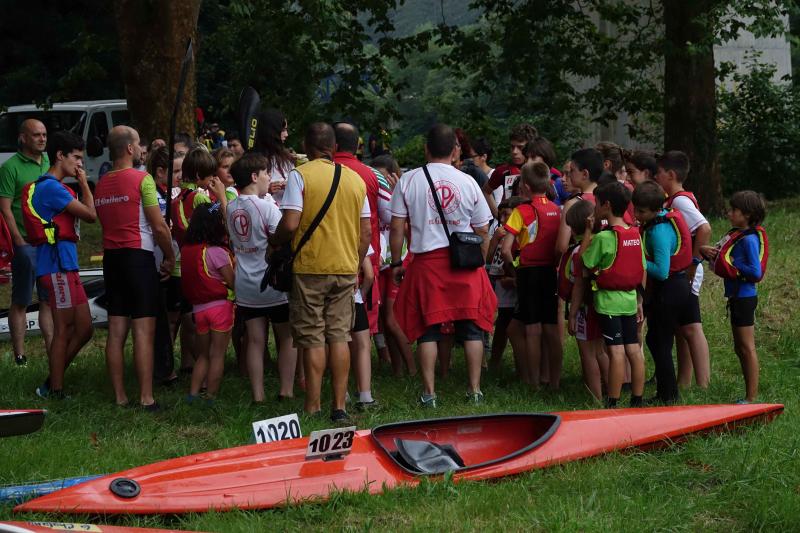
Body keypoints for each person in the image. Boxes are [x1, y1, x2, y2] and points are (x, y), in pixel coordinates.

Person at [269, 122, 371, 422]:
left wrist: (274, 242)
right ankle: (338, 406)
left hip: (311, 268)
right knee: (340, 336)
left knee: (313, 336)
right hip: (344, 268)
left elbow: (289, 223)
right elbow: (366, 231)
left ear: (307, 146)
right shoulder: (355, 180)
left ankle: (313, 406)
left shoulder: (300, 176)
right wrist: (354, 260)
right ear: (335, 147)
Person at [390, 124, 495, 407]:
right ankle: (474, 391)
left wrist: (397, 261)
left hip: (427, 263)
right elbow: (483, 228)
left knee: (428, 330)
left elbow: (397, 226)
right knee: (472, 328)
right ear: (455, 151)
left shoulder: (409, 180)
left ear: (426, 149)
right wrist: (480, 262)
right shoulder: (468, 181)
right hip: (464, 263)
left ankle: (429, 393)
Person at [94, 126, 175, 409]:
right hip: (138, 258)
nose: (142, 149)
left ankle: (119, 397)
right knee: (143, 330)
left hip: (112, 259)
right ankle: (146, 397)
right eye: (139, 144)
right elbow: (159, 226)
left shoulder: (101, 182)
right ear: (129, 148)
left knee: (116, 329)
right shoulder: (143, 180)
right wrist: (169, 256)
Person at [21, 131, 96, 398]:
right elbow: (90, 215)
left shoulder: (59, 187)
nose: (80, 165)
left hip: (67, 265)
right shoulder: (51, 187)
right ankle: (55, 389)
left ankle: (52, 379)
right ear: (59, 156)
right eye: (76, 158)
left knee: (85, 328)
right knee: (63, 328)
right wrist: (85, 183)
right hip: (55, 267)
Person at [228, 153, 297, 403]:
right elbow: (283, 235)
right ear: (254, 176)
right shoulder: (266, 206)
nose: (270, 177)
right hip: (271, 282)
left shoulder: (231, 206)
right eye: (267, 172)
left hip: (245, 283)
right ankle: (286, 390)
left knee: (255, 341)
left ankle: (258, 395)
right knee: (287, 336)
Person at [579, 181, 645, 408]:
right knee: (634, 350)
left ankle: (612, 402)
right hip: (629, 300)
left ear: (606, 205)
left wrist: (588, 230)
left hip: (608, 303)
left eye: (596, 203)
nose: (595, 207)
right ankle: (637, 399)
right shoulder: (635, 235)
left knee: (615, 351)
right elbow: (641, 268)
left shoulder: (603, 238)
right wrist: (639, 300)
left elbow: (584, 262)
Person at [701, 191, 768, 403]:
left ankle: (751, 397)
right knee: (739, 347)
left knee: (747, 347)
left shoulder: (748, 240)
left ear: (747, 215)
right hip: (737, 298)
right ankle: (749, 394)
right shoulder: (738, 234)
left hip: (744, 298)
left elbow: (755, 273)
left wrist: (731, 266)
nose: (729, 213)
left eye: (733, 210)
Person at [501, 162, 563, 388]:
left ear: (525, 186)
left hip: (528, 271)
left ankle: (534, 382)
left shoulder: (521, 211)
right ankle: (555, 382)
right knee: (551, 328)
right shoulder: (557, 210)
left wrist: (512, 270)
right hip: (550, 271)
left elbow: (506, 248)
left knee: (532, 327)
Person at [633, 180, 694, 404]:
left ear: (656, 209)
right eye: (635, 210)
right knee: (656, 339)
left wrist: (637, 260)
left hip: (671, 289)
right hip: (668, 289)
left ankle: (669, 395)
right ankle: (666, 392)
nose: (637, 215)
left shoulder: (659, 230)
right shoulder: (657, 219)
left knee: (660, 341)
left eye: (642, 212)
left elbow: (662, 271)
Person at [655, 151, 711, 389]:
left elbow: (704, 228)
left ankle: (703, 384)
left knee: (691, 326)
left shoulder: (679, 200)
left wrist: (694, 263)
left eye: (658, 173)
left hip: (687, 273)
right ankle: (685, 382)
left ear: (671, 174)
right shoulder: (675, 199)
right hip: (681, 273)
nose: (656, 177)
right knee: (681, 328)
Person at [0, 119, 53, 366]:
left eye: (44, 134)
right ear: (23, 138)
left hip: (48, 242)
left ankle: (54, 351)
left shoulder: (47, 161)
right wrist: (19, 241)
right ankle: (20, 355)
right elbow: (5, 209)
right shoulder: (10, 167)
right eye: (36, 135)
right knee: (21, 299)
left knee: (47, 299)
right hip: (26, 243)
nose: (42, 139)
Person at [334, 122, 384, 335]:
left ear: (332, 144)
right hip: (362, 260)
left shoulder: (309, 173)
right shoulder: (372, 175)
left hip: (322, 259)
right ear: (357, 146)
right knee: (360, 327)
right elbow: (391, 215)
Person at [182, 203, 234, 404]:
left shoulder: (188, 250)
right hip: (220, 308)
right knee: (217, 355)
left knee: (203, 355)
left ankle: (193, 394)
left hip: (198, 310)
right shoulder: (216, 252)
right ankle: (211, 396)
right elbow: (232, 282)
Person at [371, 155, 416, 377]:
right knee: (383, 320)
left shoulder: (401, 197)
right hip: (381, 264)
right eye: (375, 175)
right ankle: (398, 371)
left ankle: (412, 369)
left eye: (383, 176)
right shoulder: (373, 196)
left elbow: (409, 229)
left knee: (391, 319)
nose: (379, 180)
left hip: (399, 262)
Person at [561, 200, 608, 401]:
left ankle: (596, 398)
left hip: (585, 308)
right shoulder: (605, 240)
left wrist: (572, 314)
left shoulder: (578, 252)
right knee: (601, 351)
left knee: (588, 353)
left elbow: (576, 282)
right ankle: (611, 391)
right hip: (605, 303)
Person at [486, 196, 524, 373]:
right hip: (501, 287)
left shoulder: (520, 236)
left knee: (512, 326)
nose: (502, 220)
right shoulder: (501, 234)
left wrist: (513, 279)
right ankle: (495, 361)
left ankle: (521, 366)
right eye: (500, 216)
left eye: (507, 215)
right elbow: (488, 261)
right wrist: (494, 241)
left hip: (514, 288)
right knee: (502, 323)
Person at [481, 123, 538, 218]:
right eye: (512, 147)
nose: (514, 151)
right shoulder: (503, 171)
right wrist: (498, 215)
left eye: (520, 147)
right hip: (509, 226)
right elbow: (486, 191)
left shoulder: (544, 171)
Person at [351, 247, 377, 409]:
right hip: (353, 296)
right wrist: (362, 293)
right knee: (363, 344)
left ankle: (341, 394)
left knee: (334, 342)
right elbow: (369, 274)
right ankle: (365, 395)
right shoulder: (355, 229)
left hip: (325, 293)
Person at [254, 109, 294, 205]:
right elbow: (246, 194)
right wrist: (266, 190)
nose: (286, 134)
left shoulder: (287, 158)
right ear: (271, 131)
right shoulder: (253, 160)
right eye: (283, 130)